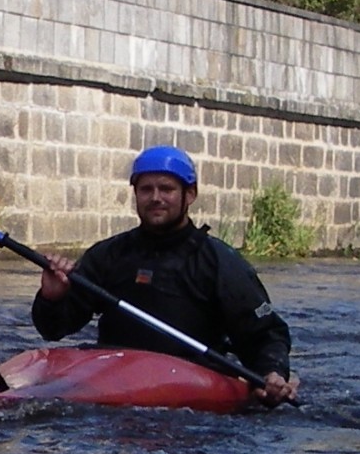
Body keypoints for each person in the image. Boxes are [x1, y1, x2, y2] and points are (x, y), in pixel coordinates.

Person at [32, 145, 298, 404]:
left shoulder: (219, 261)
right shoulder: (109, 255)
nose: (155, 198)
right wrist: (52, 298)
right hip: (116, 382)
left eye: (166, 189)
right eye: (146, 189)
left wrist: (272, 372)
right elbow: (53, 330)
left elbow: (266, 334)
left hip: (189, 386)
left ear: (189, 195)